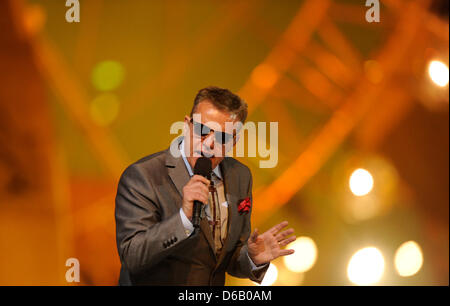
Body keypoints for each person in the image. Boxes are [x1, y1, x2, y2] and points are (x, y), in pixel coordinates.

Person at [115, 86, 296, 285]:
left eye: (222, 138)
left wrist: (252, 258)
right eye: (202, 131)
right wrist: (183, 220)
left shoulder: (240, 176)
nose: (209, 144)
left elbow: (224, 257)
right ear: (187, 126)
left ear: (234, 142)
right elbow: (132, 256)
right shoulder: (143, 176)